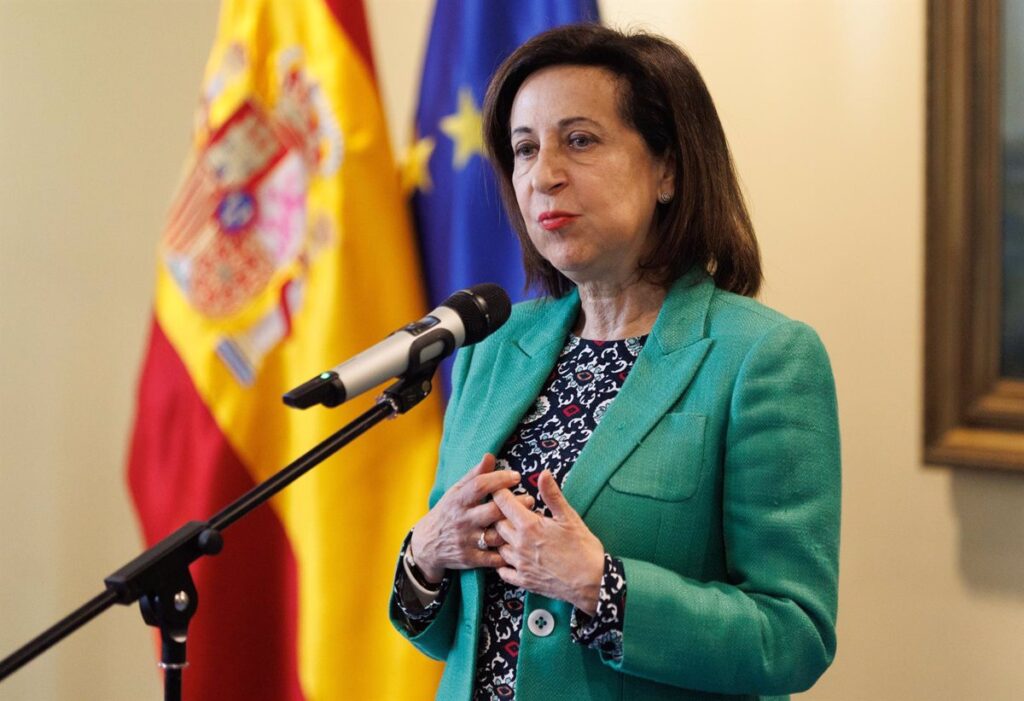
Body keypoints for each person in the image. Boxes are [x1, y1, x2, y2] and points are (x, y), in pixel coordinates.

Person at [389, 23, 840, 701]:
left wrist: (601, 585)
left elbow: (792, 636)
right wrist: (426, 555)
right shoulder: (493, 347)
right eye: (524, 148)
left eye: (579, 140)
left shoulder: (764, 358)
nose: (544, 174)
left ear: (668, 169)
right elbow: (456, 629)